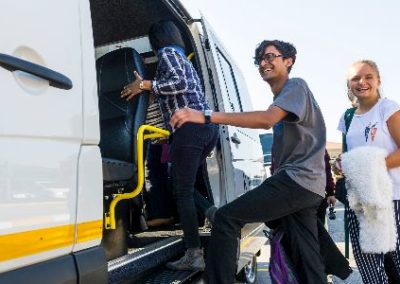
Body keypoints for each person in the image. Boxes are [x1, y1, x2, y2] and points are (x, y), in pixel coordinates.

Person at [171, 40, 327, 283]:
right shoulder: (287, 100)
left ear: (289, 60)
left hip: (297, 181)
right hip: (309, 186)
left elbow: (266, 119)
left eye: (271, 57)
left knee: (225, 218)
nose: (264, 63)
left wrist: (206, 115)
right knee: (308, 259)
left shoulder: (296, 85)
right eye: (261, 60)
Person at [121, 20, 219, 271]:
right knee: (181, 185)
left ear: (156, 40)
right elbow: (180, 89)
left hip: (191, 128)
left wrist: (145, 84)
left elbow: (179, 85)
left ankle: (194, 254)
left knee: (181, 190)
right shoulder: (179, 56)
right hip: (203, 129)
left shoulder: (167, 54)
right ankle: (215, 215)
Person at [336, 60, 400, 283]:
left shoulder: (388, 108)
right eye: (355, 78)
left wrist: (365, 166)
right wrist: (340, 163)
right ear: (349, 84)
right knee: (371, 272)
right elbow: (350, 156)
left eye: (368, 76)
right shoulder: (347, 118)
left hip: (393, 199)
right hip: (362, 203)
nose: (362, 82)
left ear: (378, 80)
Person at [317, 149, 337, 224]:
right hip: (316, 193)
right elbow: (326, 170)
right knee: (318, 230)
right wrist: (330, 192)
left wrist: (330, 192)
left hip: (290, 192)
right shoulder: (318, 142)